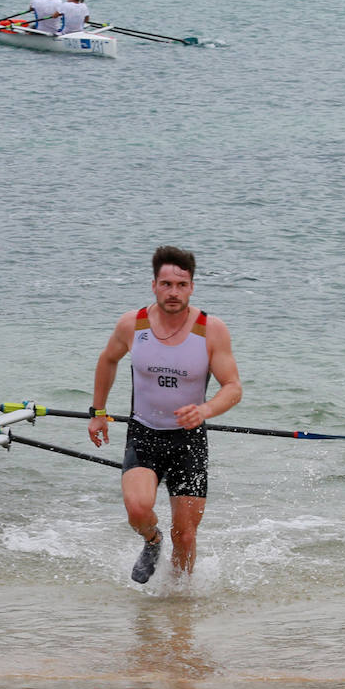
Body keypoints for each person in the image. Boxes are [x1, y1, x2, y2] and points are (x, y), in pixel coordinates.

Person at [87, 246, 242, 585]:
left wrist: (205, 409)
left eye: (181, 285)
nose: (173, 292)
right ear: (154, 285)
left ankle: (179, 598)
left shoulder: (210, 330)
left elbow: (232, 387)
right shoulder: (133, 324)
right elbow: (107, 359)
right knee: (138, 509)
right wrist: (98, 412)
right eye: (166, 284)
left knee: (185, 535)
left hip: (188, 439)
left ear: (192, 287)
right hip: (144, 432)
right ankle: (152, 541)